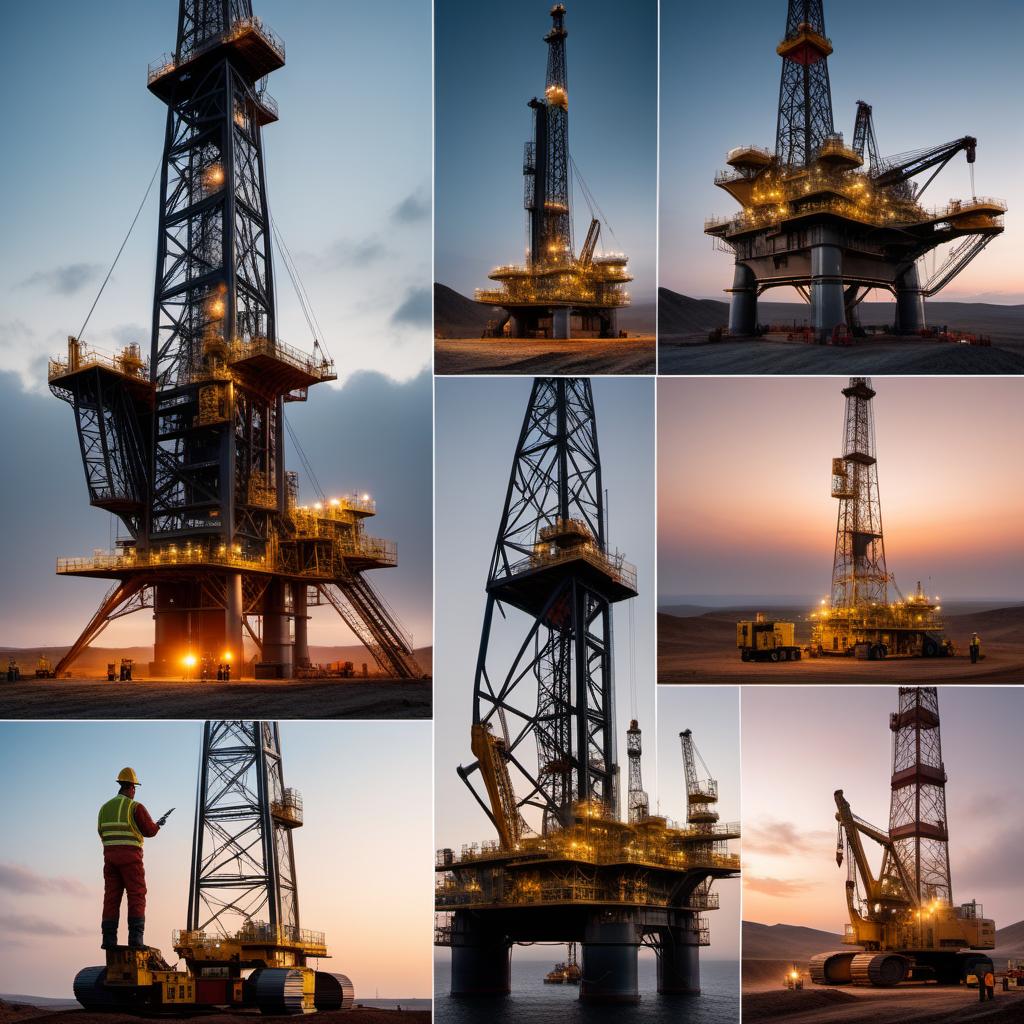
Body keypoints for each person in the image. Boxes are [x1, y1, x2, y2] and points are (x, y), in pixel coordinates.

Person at [98, 767, 168, 950]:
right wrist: (158, 825)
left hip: (110, 859)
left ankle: (108, 939)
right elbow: (149, 831)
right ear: (132, 788)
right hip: (131, 858)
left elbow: (101, 832)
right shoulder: (135, 807)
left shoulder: (104, 808)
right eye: (135, 788)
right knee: (136, 895)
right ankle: (136, 938)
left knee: (111, 897)